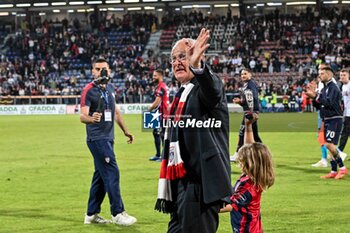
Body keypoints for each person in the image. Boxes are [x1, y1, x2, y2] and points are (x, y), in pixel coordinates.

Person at [154, 28, 232, 233]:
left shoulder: (203, 87)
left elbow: (212, 89)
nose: (177, 62)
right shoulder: (181, 93)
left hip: (201, 185)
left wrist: (198, 66)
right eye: (173, 58)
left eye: (183, 56)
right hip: (181, 183)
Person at [80, 58, 137, 225]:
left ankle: (91, 214)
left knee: (100, 176)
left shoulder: (110, 88)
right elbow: (82, 116)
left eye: (104, 68)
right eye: (98, 69)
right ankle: (118, 213)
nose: (101, 72)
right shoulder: (88, 90)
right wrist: (91, 118)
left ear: (110, 70)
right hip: (97, 139)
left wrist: (126, 131)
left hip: (108, 139)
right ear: (93, 71)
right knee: (112, 172)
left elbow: (116, 112)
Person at [220, 115, 275, 233]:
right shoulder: (253, 177)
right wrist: (248, 125)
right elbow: (249, 145)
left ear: (249, 163)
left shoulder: (247, 187)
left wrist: (201, 208)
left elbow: (230, 206)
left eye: (242, 159)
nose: (239, 161)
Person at [306, 65, 348, 179]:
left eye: (322, 73)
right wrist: (313, 97)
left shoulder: (333, 87)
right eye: (320, 73)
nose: (320, 75)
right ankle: (334, 171)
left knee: (329, 144)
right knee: (330, 145)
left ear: (329, 74)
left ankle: (342, 168)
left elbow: (329, 103)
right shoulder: (324, 88)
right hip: (328, 119)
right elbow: (320, 105)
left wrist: (315, 96)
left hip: (335, 119)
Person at [231, 68, 262, 162]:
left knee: (241, 133)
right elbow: (248, 100)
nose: (243, 76)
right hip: (250, 112)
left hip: (250, 113)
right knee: (255, 136)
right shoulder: (246, 85)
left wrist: (252, 111)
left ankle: (237, 154)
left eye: (245, 74)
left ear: (250, 75)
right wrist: (240, 102)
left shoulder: (250, 85)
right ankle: (262, 155)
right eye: (241, 74)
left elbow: (254, 98)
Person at [148, 69, 169, 162]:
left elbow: (157, 102)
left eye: (155, 75)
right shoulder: (161, 86)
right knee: (156, 133)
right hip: (159, 114)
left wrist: (149, 110)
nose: (153, 77)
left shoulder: (161, 87)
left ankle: (164, 157)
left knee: (162, 135)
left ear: (160, 76)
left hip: (163, 114)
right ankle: (158, 154)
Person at [338, 68, 350, 159]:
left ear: (348, 76)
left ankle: (339, 153)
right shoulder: (343, 86)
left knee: (344, 134)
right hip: (346, 113)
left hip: (349, 114)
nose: (342, 77)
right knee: (346, 133)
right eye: (341, 75)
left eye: (344, 75)